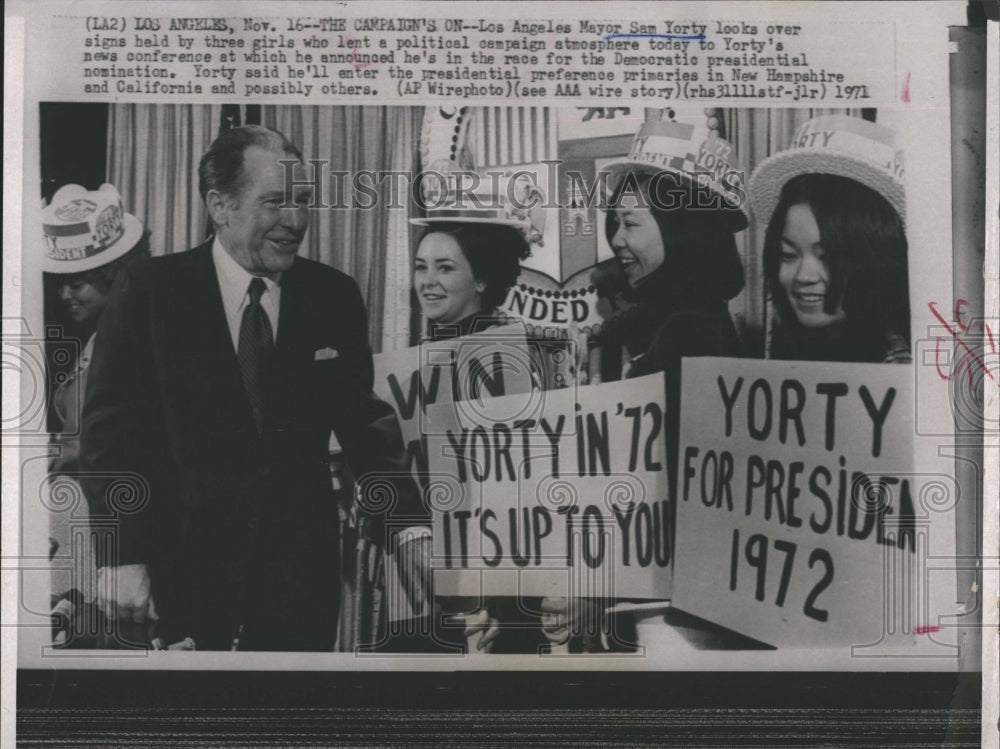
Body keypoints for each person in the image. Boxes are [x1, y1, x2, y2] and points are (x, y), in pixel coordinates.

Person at [80, 125, 426, 651]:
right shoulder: (149, 293)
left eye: (304, 201)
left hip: (297, 587)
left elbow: (362, 420)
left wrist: (409, 526)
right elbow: (110, 438)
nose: (295, 221)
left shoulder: (332, 295)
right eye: (275, 203)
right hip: (179, 580)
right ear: (221, 206)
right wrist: (123, 554)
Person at [560, 112, 749, 650]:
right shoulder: (667, 320)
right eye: (615, 223)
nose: (617, 240)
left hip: (671, 607)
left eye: (632, 223)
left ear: (682, 230)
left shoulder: (690, 332)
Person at [410, 204, 548, 653]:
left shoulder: (508, 359)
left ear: (482, 280)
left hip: (492, 590)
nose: (427, 281)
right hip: (432, 574)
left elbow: (514, 496)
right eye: (421, 266)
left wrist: (483, 598)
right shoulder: (427, 352)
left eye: (445, 268)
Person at [43, 183, 149, 644]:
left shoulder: (128, 346)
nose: (65, 294)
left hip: (106, 528)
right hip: (78, 527)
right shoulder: (93, 341)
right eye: (60, 282)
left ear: (114, 276)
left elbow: (98, 447)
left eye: (78, 282)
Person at [748, 114, 911, 363]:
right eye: (788, 255)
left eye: (828, 257)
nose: (804, 276)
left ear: (876, 262)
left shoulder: (900, 373)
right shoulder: (794, 350)